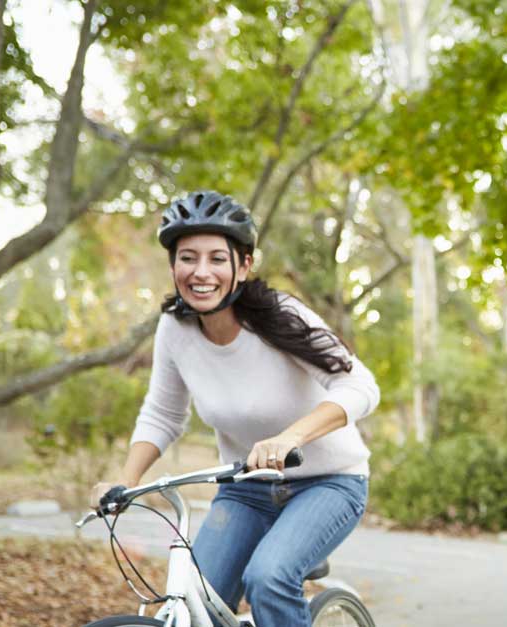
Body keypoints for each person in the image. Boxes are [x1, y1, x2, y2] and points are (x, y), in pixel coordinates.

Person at [91, 191, 380, 627]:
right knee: (197, 601)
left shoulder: (283, 317)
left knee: (269, 577)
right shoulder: (175, 329)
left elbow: (359, 384)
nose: (200, 272)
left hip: (328, 484)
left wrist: (290, 437)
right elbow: (163, 414)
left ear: (243, 265)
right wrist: (125, 481)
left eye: (216, 259)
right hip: (246, 489)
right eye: (187, 258)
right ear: (173, 267)